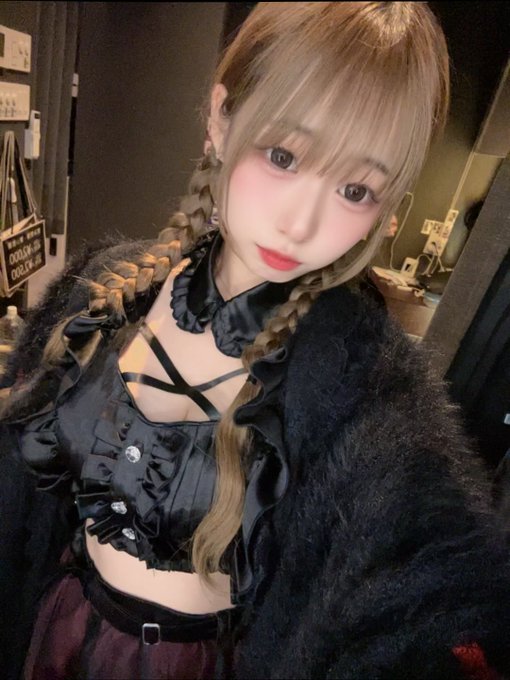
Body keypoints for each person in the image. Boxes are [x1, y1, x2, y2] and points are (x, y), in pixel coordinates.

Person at [2, 2, 510, 679]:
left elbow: (433, 597)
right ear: (221, 118)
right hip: (55, 630)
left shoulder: (367, 392)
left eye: (356, 189)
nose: (301, 223)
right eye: (283, 156)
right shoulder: (100, 291)